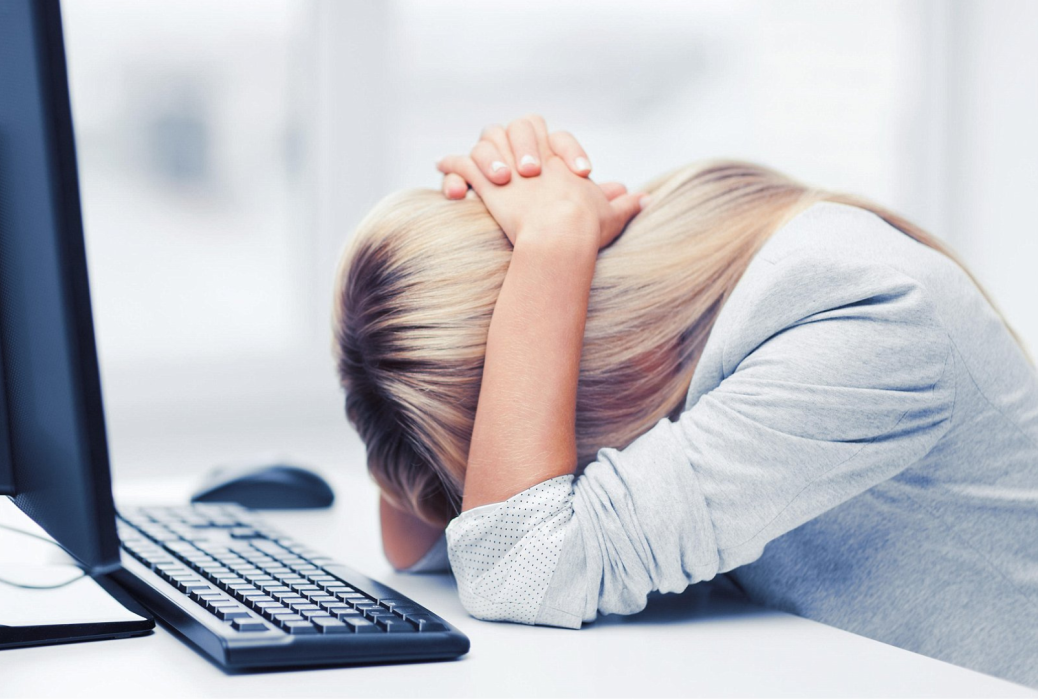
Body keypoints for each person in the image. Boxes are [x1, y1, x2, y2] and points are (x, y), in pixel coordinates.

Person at [332, 115, 1038, 687]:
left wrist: (548, 248)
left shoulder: (856, 315)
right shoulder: (678, 283)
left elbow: (517, 567)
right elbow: (420, 541)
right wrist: (438, 292)